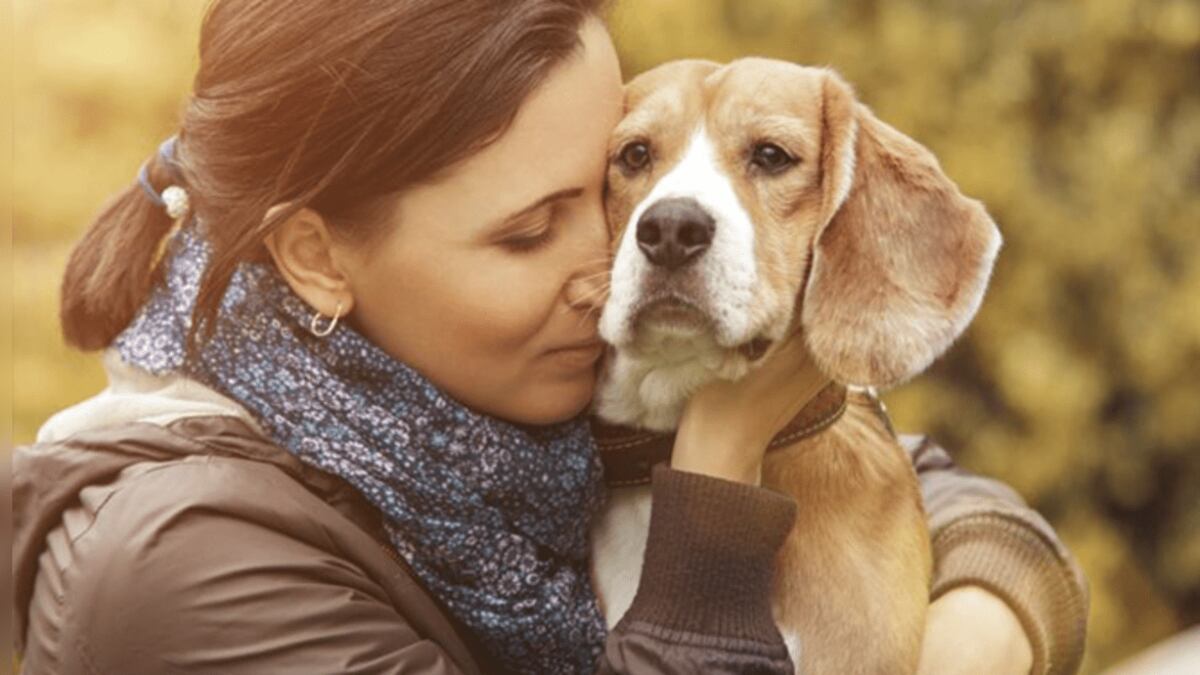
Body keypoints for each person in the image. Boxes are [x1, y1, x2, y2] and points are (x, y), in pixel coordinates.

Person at [12, 1, 1089, 673]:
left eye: (602, 193)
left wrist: (978, 628)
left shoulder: (485, 397)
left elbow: (918, 481)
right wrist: (716, 466)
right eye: (529, 231)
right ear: (318, 260)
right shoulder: (185, 571)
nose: (608, 266)